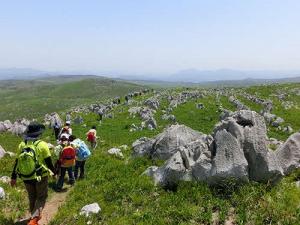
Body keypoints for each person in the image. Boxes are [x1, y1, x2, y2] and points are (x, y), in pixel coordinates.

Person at [11, 123, 56, 225]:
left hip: (26, 176)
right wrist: (54, 173)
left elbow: (17, 161)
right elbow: (49, 162)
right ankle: (34, 220)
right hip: (40, 176)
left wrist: (13, 177)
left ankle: (33, 217)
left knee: (32, 197)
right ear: (38, 133)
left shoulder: (22, 144)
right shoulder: (42, 144)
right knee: (41, 197)